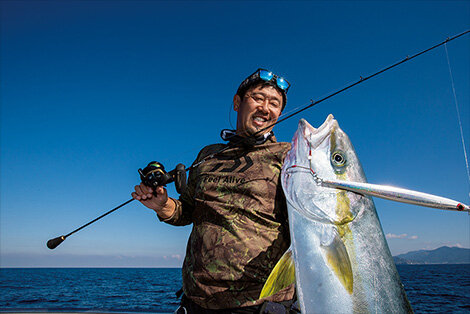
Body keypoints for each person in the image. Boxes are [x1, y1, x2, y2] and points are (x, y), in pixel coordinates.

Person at [132, 69, 296, 313]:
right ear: (237, 102)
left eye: (274, 103)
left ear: (279, 114)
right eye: (258, 98)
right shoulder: (208, 155)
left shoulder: (289, 157)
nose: (265, 108)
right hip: (196, 302)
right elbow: (187, 212)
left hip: (258, 304)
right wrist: (163, 205)